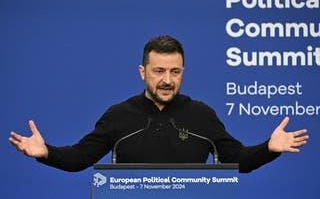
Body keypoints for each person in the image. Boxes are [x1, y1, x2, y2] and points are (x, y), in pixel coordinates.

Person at [9, 35, 309, 173]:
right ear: (143, 72)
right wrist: (46, 152)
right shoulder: (118, 116)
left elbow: (236, 160)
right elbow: (79, 157)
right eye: (159, 71)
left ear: (182, 72)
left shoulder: (202, 115)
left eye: (175, 71)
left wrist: (269, 148)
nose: (167, 79)